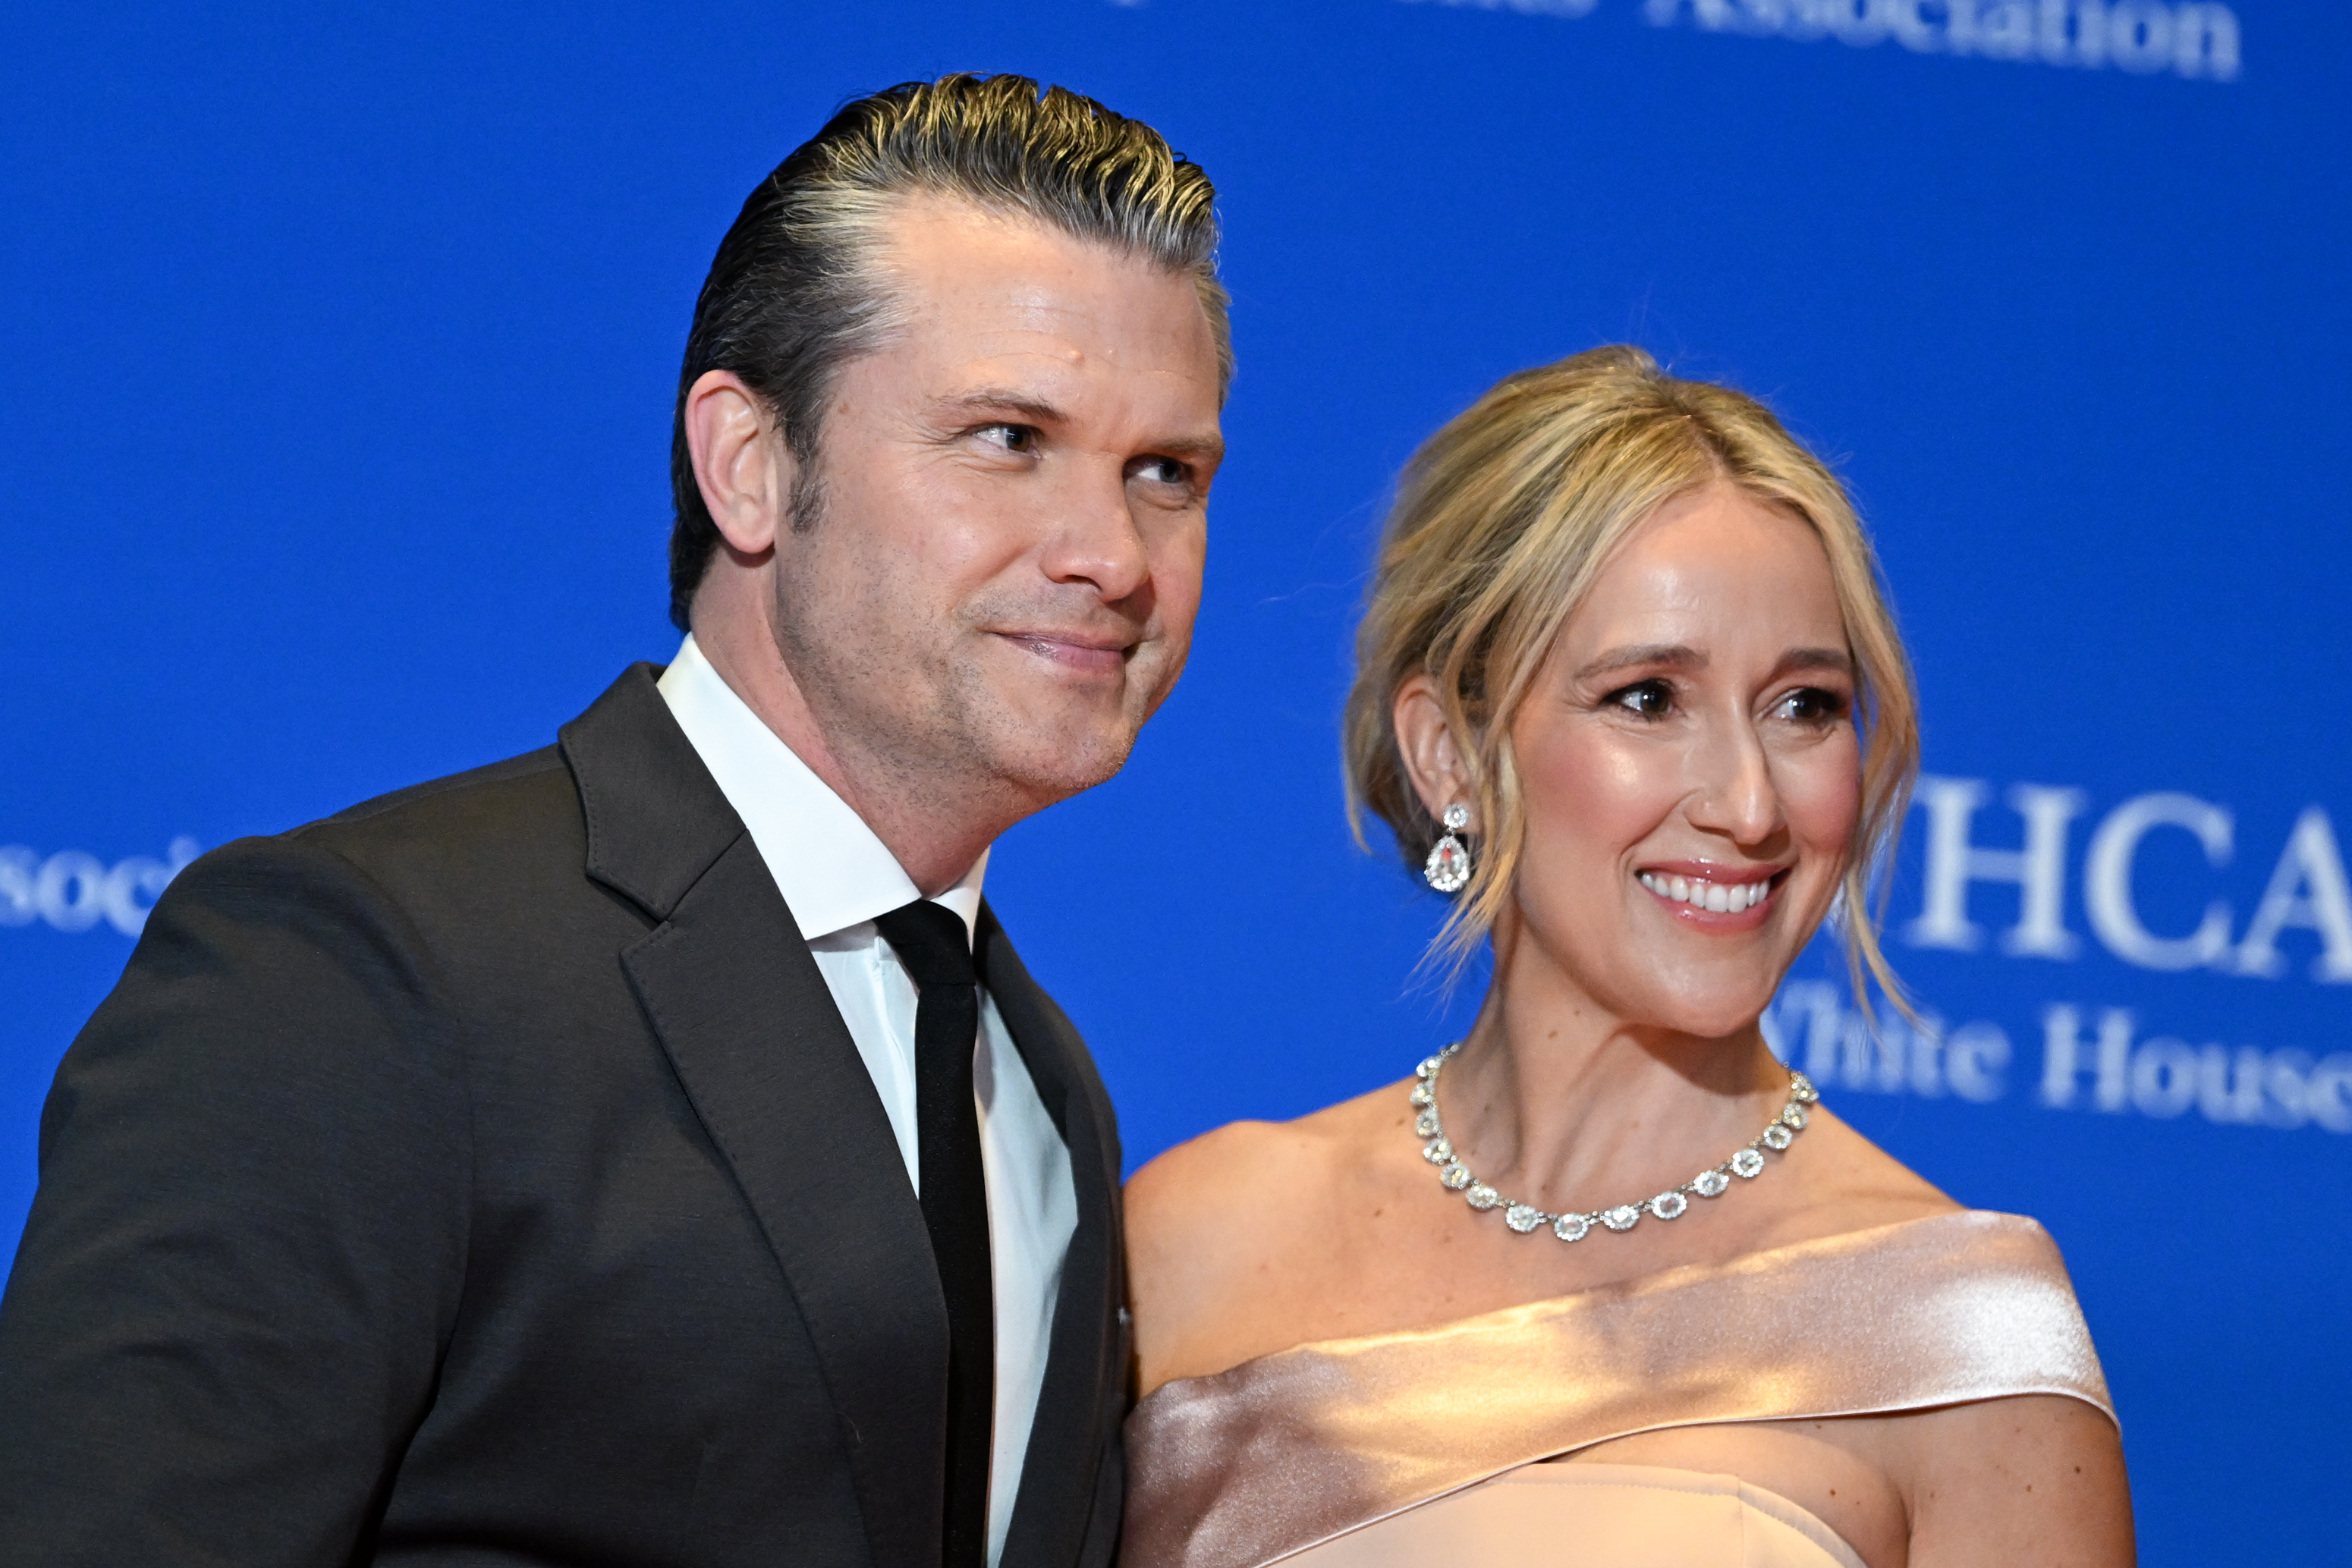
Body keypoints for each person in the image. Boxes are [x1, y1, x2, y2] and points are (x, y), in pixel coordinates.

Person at [0, 74, 1228, 1568]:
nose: (1111, 552)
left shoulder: (1041, 1081)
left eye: (1163, 471)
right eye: (1005, 436)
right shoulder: (362, 974)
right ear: (750, 464)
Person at [1121, 348, 2130, 1568]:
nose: (1751, 803)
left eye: (1804, 705)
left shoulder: (1966, 1340)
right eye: (1650, 698)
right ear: (1449, 753)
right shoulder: (1197, 1235)